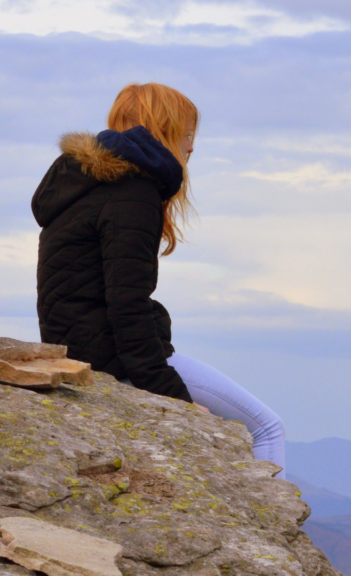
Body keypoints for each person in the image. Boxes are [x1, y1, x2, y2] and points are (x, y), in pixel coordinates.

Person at [31, 83, 286, 478]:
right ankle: (275, 535)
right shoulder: (132, 193)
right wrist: (173, 396)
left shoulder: (79, 186)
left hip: (78, 347)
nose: (191, 148)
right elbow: (126, 304)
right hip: (113, 357)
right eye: (187, 135)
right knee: (266, 428)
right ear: (164, 132)